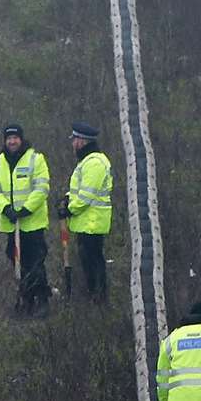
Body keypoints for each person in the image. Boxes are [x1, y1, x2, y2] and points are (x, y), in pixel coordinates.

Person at [0, 122, 50, 313]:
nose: (12, 141)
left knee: (36, 262)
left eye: (15, 138)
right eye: (9, 139)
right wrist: (6, 208)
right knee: (17, 262)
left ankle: (42, 301)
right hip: (11, 224)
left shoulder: (35, 159)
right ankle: (26, 300)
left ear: (21, 139)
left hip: (32, 223)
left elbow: (42, 188)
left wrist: (26, 209)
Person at [57, 122, 112, 299]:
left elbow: (86, 195)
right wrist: (66, 198)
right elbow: (79, 190)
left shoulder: (94, 162)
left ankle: (98, 299)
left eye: (74, 140)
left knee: (94, 263)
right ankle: (94, 296)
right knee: (88, 262)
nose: (73, 144)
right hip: (86, 223)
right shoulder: (87, 162)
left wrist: (69, 210)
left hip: (92, 223)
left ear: (82, 141)